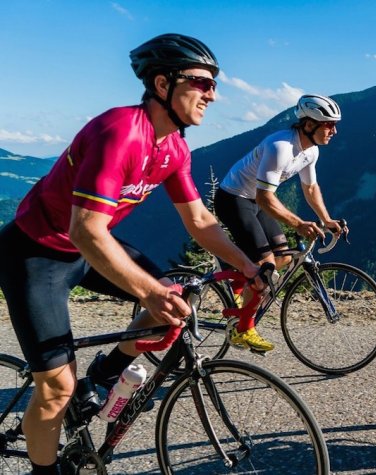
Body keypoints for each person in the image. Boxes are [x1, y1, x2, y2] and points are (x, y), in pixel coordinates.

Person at [0, 34, 263, 474]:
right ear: (163, 84)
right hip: (35, 254)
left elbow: (199, 221)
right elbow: (85, 229)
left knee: (175, 296)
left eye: (214, 84)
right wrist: (148, 291)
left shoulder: (174, 148)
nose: (212, 95)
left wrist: (247, 265)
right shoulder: (119, 132)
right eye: (202, 83)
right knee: (56, 390)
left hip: (90, 247)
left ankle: (101, 378)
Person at [213, 93, 348, 353]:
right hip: (234, 199)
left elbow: (310, 188)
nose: (334, 130)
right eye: (329, 124)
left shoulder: (311, 151)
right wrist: (299, 223)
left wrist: (326, 219)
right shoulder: (281, 147)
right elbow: (265, 198)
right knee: (265, 270)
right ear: (309, 125)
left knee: (283, 258)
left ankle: (238, 277)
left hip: (255, 201)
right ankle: (244, 329)